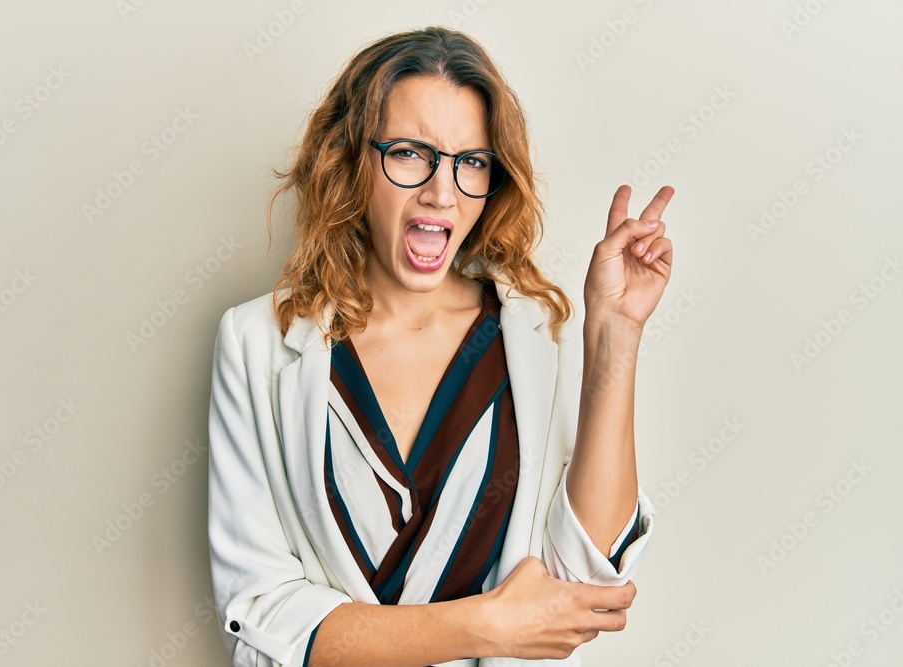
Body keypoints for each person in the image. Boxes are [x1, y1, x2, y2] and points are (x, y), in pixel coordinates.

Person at [207, 25, 673, 667]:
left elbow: (586, 586)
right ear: (350, 161)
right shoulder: (255, 342)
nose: (442, 192)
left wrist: (616, 331)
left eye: (471, 162)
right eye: (408, 153)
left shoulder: (539, 338)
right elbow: (258, 615)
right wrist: (487, 627)